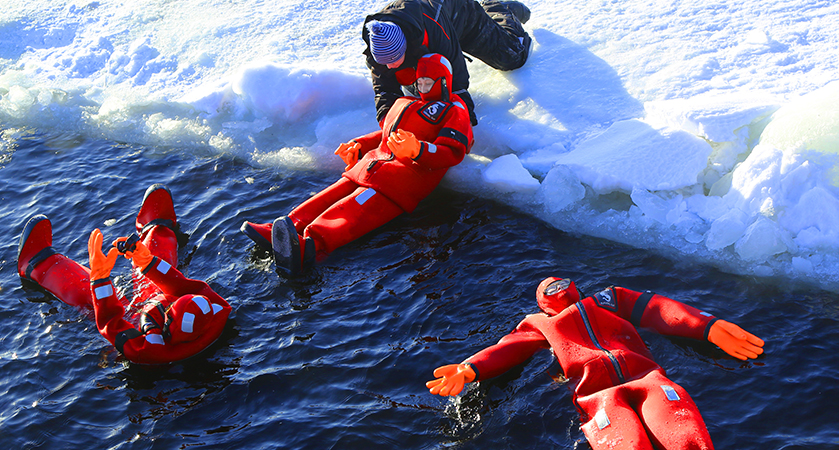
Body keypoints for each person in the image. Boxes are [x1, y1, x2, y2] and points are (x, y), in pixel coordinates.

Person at [426, 277, 765, 450]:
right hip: (597, 396)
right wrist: (470, 368)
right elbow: (508, 349)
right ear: (542, 305)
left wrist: (705, 326)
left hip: (649, 380)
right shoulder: (538, 325)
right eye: (551, 288)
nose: (558, 289)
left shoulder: (607, 299)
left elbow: (656, 309)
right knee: (625, 443)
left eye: (562, 283)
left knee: (684, 435)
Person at [241, 54, 474, 276]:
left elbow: (452, 151)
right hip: (370, 166)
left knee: (353, 207)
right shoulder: (406, 103)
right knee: (331, 194)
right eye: (420, 82)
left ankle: (311, 245)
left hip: (398, 183)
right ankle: (287, 227)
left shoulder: (454, 111)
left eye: (428, 82)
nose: (423, 87)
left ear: (443, 81)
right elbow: (385, 135)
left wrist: (418, 150)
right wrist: (359, 145)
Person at [16, 184, 232, 365]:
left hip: (139, 325)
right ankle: (157, 228)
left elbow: (110, 321)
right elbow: (183, 286)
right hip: (164, 313)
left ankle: (38, 264)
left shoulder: (148, 350)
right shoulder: (216, 309)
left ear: (170, 329)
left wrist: (100, 279)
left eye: (169, 313)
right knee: (155, 280)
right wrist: (146, 262)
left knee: (91, 300)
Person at [363, 0, 532, 126]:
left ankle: (498, 8)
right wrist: (389, 124)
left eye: (393, 60)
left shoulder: (435, 32)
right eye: (382, 62)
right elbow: (384, 89)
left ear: (405, 47)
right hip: (426, 33)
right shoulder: (379, 44)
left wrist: (463, 125)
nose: (388, 66)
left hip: (460, 15)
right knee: (421, 91)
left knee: (512, 57)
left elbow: (456, 78)